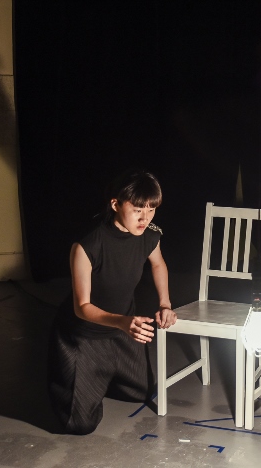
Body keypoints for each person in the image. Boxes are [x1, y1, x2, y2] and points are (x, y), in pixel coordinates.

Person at [47, 170, 178, 434]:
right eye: (138, 210)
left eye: (151, 209)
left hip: (122, 328)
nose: (145, 218)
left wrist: (165, 304)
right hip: (85, 334)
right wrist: (122, 322)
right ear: (116, 204)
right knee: (79, 424)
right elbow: (82, 307)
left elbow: (158, 264)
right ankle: (74, 377)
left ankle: (101, 376)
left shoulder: (149, 235)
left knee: (142, 391)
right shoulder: (88, 244)